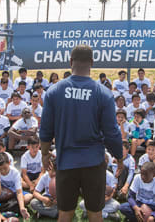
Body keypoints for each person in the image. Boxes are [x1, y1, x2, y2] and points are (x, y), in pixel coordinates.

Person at [39, 45, 124, 222]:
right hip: (93, 163)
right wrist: (119, 157)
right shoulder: (104, 93)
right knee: (95, 213)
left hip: (66, 162)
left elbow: (45, 129)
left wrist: (45, 153)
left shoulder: (54, 91)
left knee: (65, 213)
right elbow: (112, 132)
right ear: (92, 63)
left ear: (70, 62)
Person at [0, 152, 31, 218]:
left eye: (5, 168)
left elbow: (19, 192)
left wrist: (22, 208)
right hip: (1, 196)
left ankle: (2, 208)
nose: (3, 171)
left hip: (14, 195)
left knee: (29, 197)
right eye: (0, 169)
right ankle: (10, 207)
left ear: (9, 162)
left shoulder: (15, 172)